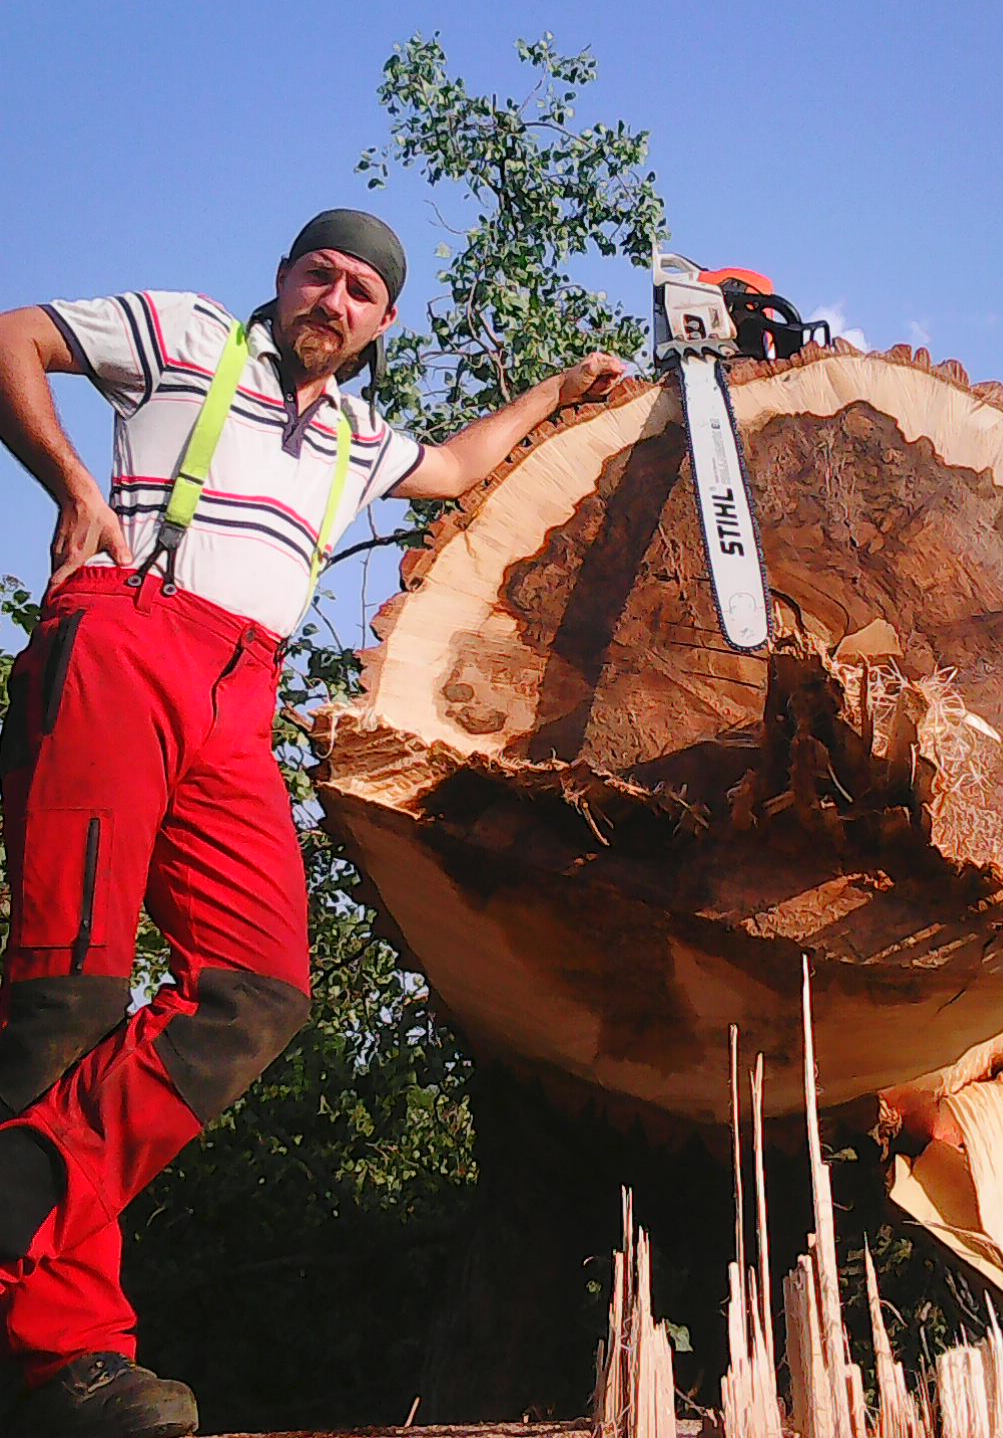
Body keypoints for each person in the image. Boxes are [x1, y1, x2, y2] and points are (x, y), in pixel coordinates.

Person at [0, 209, 624, 1437]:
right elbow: (11, 338)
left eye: (359, 291)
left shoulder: (357, 433)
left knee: (260, 987)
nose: (331, 299)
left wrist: (559, 387)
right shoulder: (184, 336)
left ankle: (22, 1189)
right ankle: (62, 1361)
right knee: (69, 991)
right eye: (317, 274)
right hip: (129, 630)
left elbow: (453, 465)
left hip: (243, 694)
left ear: (382, 322)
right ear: (282, 282)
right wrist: (76, 485)